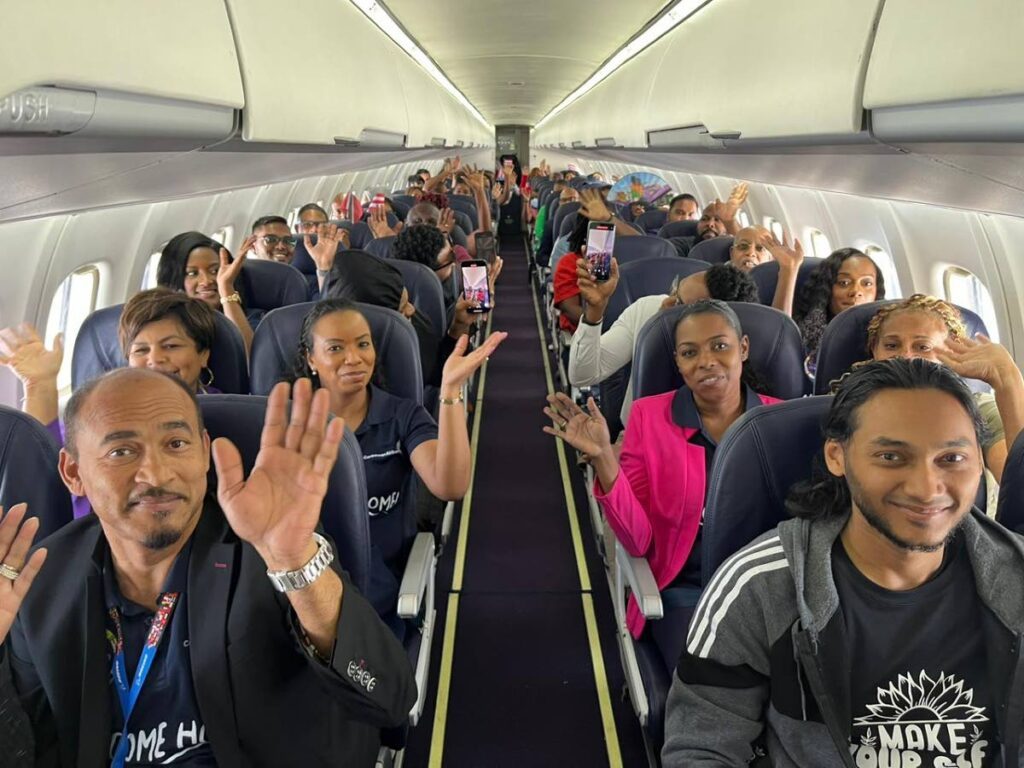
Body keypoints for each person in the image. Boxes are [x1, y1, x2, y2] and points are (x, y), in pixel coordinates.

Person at [3, 369, 417, 765]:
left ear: (204, 451)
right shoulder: (40, 582)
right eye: (122, 451)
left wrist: (295, 561)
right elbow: (33, 748)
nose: (156, 473)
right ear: (73, 473)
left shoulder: (263, 545)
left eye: (176, 444)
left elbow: (390, 696)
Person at [662, 358, 1024, 767]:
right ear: (837, 456)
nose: (926, 488)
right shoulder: (759, 586)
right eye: (891, 457)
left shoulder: (1016, 578)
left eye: (951, 459)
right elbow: (702, 747)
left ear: (980, 460)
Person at [546, 300, 781, 673]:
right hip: (685, 593)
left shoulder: (779, 422)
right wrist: (606, 459)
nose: (706, 361)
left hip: (769, 593)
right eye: (690, 353)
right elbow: (638, 542)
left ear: (744, 348)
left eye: (720, 345)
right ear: (677, 362)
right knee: (716, 687)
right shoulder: (650, 417)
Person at [292, 300, 505, 637]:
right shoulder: (290, 425)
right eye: (335, 348)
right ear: (311, 359)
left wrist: (450, 393)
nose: (354, 358)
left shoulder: (402, 416)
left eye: (363, 344)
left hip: (375, 586)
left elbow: (449, 485)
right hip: (301, 586)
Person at [1, 289, 224, 518]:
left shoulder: (230, 415)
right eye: (141, 350)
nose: (155, 359)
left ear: (203, 354)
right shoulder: (102, 411)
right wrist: (40, 384)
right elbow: (47, 462)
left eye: (171, 346)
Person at [569, 263, 762, 427]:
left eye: (679, 304)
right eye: (675, 290)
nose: (666, 302)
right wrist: (594, 312)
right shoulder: (648, 309)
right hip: (639, 439)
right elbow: (583, 374)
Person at [862, 294, 1024, 484]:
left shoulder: (981, 410)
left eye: (923, 346)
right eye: (891, 345)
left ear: (952, 350)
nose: (905, 356)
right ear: (874, 349)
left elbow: (1018, 489)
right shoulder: (854, 405)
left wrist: (1008, 381)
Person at [156, 231, 257, 355]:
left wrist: (226, 287)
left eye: (215, 271)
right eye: (192, 273)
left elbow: (250, 361)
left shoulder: (253, 320)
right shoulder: (165, 324)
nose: (206, 281)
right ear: (175, 280)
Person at [795, 247, 885, 376]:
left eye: (867, 283)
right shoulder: (808, 338)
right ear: (826, 290)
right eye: (844, 283)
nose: (856, 291)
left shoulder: (886, 335)